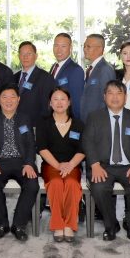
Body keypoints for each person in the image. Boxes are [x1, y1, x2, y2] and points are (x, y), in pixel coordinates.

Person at [82, 80, 130, 241]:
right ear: (104, 96)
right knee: (98, 188)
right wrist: (95, 164)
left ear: (125, 97)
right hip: (103, 165)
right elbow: (87, 141)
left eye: (119, 93)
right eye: (110, 93)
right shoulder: (95, 117)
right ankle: (111, 225)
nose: (115, 97)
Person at [0, 84, 38, 241]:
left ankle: (19, 225)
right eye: (5, 97)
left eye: (12, 96)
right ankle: (1, 224)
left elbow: (30, 144)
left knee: (32, 184)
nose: (9, 100)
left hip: (22, 162)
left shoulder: (24, 118)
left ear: (18, 99)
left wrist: (29, 163)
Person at [37, 87, 84, 242]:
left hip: (73, 165)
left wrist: (70, 165)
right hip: (51, 165)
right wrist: (58, 166)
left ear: (69, 102)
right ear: (50, 103)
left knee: (71, 183)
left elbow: (83, 149)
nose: (59, 102)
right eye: (55, 99)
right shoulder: (44, 123)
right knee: (56, 183)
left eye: (63, 99)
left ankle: (69, 225)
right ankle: (58, 225)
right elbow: (42, 148)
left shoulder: (78, 124)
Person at [13, 41, 56, 129]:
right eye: (22, 54)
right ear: (19, 56)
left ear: (36, 56)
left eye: (29, 53)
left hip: (35, 127)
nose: (25, 57)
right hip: (15, 125)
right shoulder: (13, 77)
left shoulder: (46, 78)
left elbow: (47, 108)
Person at [79, 34, 116, 123]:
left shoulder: (105, 69)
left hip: (98, 123)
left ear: (99, 49)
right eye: (84, 46)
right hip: (87, 120)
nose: (85, 49)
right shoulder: (91, 68)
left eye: (88, 46)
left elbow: (108, 100)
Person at [50, 33, 85, 118]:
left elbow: (76, 102)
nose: (59, 50)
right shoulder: (53, 67)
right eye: (56, 46)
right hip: (54, 119)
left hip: (68, 120)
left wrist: (75, 126)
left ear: (71, 48)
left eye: (63, 46)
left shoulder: (76, 70)